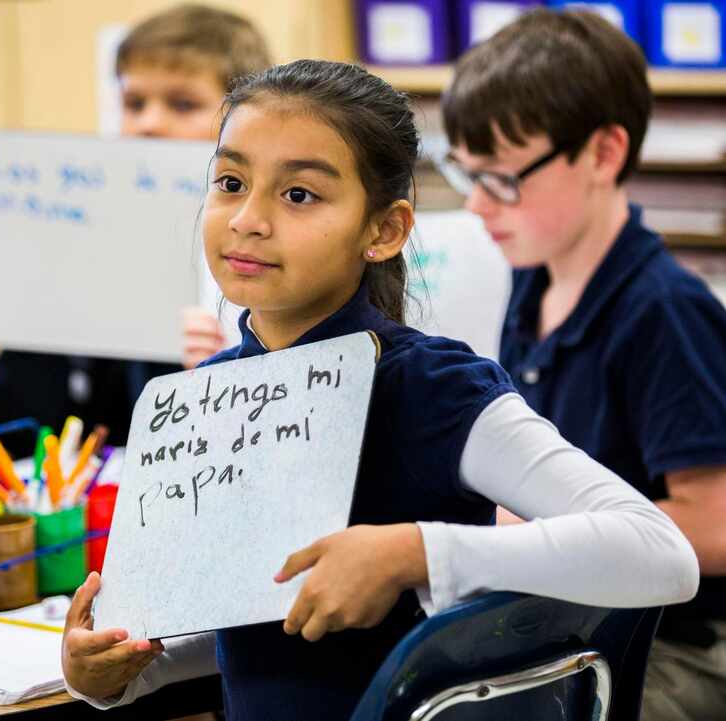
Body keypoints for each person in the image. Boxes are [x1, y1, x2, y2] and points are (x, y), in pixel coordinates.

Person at [62, 59, 699, 721]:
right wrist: (113, 670)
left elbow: (660, 552)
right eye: (230, 181)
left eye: (299, 195)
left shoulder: (438, 390)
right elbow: (260, 623)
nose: (248, 219)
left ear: (384, 230)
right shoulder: (215, 394)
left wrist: (414, 552)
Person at [439, 9, 726, 720]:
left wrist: (523, 543)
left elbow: (715, 524)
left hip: (677, 644)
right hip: (576, 618)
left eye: (502, 178)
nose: (477, 205)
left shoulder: (663, 310)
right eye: (466, 173)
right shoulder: (530, 281)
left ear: (602, 153)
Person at [0, 4, 271, 456]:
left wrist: (228, 364)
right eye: (134, 103)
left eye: (182, 104)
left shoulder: (268, 240)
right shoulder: (87, 240)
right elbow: (20, 431)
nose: (148, 123)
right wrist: (25, 298)